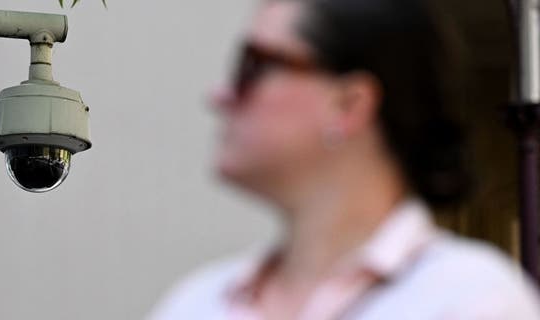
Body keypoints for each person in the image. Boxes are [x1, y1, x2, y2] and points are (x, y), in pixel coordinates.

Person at [150, 0, 540, 319]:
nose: (218, 95)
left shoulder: (472, 300)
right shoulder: (196, 304)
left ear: (348, 103)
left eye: (254, 65)